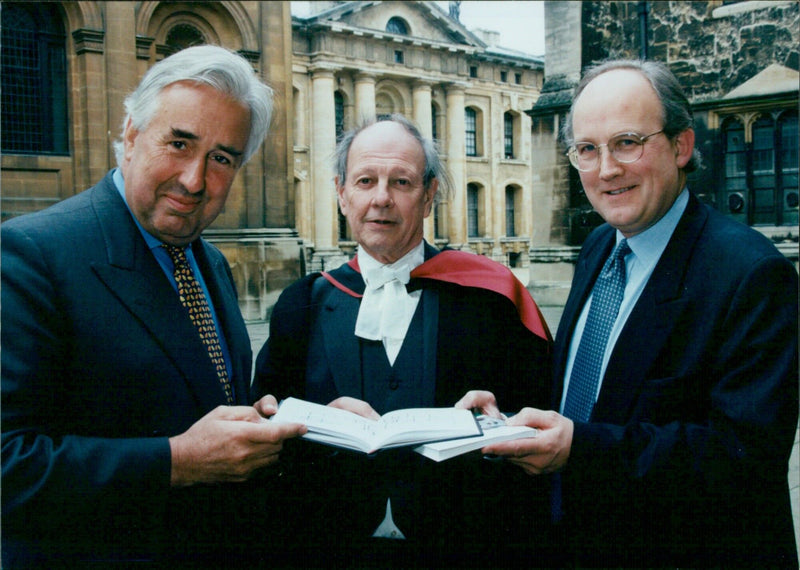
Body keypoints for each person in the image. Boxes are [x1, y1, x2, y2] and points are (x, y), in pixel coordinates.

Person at [461, 59, 799, 567]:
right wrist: (506, 413)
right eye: (587, 151)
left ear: (682, 146)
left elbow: (743, 458)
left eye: (627, 142)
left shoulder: (752, 275)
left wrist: (580, 448)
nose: (606, 170)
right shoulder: (599, 245)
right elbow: (596, 390)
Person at [1, 45, 307, 568]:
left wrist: (311, 421)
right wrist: (176, 461)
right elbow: (10, 464)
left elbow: (205, 402)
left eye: (221, 158)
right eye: (179, 143)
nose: (193, 180)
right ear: (132, 135)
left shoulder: (210, 261)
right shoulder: (30, 256)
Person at [252, 114, 552, 566]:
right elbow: (262, 428)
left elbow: (542, 423)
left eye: (402, 182)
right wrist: (309, 424)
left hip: (463, 545)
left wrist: (498, 420)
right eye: (365, 180)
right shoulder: (301, 306)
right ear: (341, 193)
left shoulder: (492, 299)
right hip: (330, 545)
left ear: (429, 195)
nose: (381, 199)